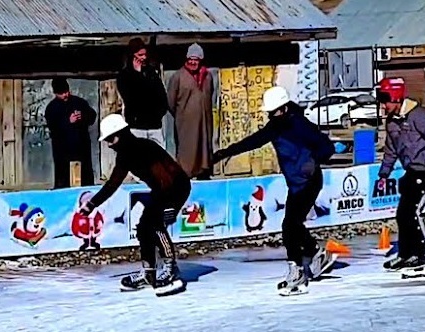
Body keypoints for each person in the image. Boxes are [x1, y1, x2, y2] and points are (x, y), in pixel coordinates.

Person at [212, 86, 336, 296]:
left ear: (284, 108)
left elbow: (327, 147)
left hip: (310, 181)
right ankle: (316, 254)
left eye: (274, 111)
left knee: (290, 225)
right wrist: (225, 153)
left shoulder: (300, 124)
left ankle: (296, 271)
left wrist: (313, 161)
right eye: (269, 113)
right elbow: (253, 141)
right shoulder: (275, 126)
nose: (271, 116)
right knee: (292, 224)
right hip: (295, 184)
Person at [79, 113, 189, 297]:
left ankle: (171, 268)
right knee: (143, 229)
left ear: (120, 134)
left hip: (176, 187)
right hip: (161, 190)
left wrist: (170, 206)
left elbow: (166, 178)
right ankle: (149, 273)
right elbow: (113, 184)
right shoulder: (124, 157)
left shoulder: (145, 148)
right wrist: (91, 205)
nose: (109, 144)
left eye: (110, 139)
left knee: (154, 225)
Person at [375, 77, 425, 278]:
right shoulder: (392, 121)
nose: (384, 107)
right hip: (412, 169)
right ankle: (406, 254)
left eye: (386, 101)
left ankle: (422, 256)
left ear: (395, 98)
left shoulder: (417, 116)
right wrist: (384, 173)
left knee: (413, 212)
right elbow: (391, 149)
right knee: (402, 213)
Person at [167, 43, 214, 179]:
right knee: (187, 150)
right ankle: (185, 175)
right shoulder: (178, 77)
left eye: (196, 59)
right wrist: (182, 114)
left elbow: (210, 94)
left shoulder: (207, 76)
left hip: (205, 121)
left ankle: (203, 171)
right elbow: (170, 101)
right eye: (191, 59)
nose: (193, 62)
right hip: (185, 122)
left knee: (203, 147)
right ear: (187, 59)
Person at [44, 78, 97, 189]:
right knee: (63, 177)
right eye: (62, 93)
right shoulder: (52, 108)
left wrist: (83, 117)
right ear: (56, 93)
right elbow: (53, 128)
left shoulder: (79, 102)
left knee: (85, 175)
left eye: (66, 91)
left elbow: (92, 117)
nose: (65, 95)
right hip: (63, 150)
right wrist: (68, 122)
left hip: (81, 147)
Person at [116, 38, 168, 146]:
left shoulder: (152, 73)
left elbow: (161, 95)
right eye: (140, 55)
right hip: (137, 126)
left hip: (154, 125)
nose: (143, 58)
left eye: (145, 54)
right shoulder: (125, 76)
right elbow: (133, 98)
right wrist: (137, 75)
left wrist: (159, 114)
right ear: (132, 56)